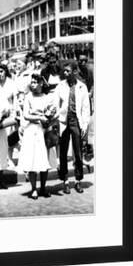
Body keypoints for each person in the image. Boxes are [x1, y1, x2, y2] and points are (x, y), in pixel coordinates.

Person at [18, 74, 57, 199]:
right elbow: (25, 115)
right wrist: (39, 117)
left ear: (41, 83)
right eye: (32, 82)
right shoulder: (28, 97)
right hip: (32, 130)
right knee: (32, 160)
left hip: (44, 130)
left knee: (43, 160)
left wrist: (49, 115)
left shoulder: (46, 98)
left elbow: (52, 112)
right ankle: (34, 188)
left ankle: (43, 187)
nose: (33, 84)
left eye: (35, 82)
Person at [56, 61, 91, 194]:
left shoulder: (82, 86)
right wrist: (57, 121)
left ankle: (78, 181)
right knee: (63, 152)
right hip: (63, 121)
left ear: (75, 72)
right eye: (64, 71)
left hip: (77, 121)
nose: (65, 73)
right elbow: (56, 104)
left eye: (68, 71)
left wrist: (85, 125)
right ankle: (65, 181)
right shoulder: (60, 86)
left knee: (78, 153)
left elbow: (86, 108)